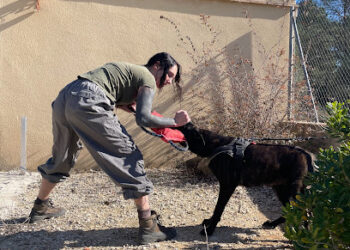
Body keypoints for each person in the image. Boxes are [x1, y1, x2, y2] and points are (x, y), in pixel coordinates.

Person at [29, 52, 191, 244]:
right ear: (157, 66)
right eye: (170, 75)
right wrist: (174, 122)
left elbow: (121, 101)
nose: (170, 81)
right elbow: (143, 118)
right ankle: (149, 226)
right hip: (88, 98)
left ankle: (40, 207)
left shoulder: (131, 73)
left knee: (62, 157)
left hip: (66, 96)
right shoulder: (147, 77)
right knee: (129, 156)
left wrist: (126, 105)